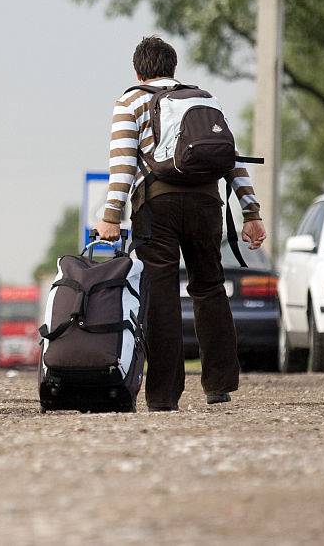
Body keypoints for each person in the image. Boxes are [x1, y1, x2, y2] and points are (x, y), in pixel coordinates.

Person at [93, 35, 266, 411]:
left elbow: (122, 164)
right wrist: (250, 212)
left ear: (138, 70)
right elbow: (232, 159)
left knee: (162, 295)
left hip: (158, 206)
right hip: (206, 201)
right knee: (209, 287)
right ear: (173, 68)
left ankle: (163, 396)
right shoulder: (206, 99)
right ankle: (218, 385)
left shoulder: (131, 100)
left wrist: (110, 216)